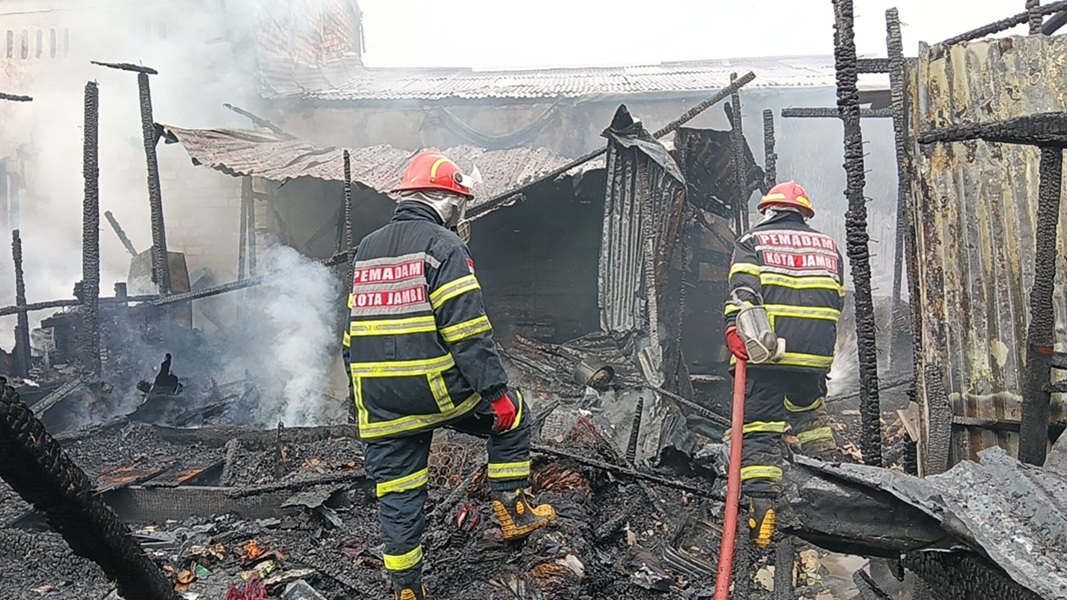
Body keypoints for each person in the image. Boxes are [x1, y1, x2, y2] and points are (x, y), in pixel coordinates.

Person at [343, 150, 557, 600]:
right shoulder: (445, 246)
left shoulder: (366, 249)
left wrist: (359, 397)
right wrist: (495, 391)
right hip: (437, 390)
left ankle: (406, 589)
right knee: (514, 416)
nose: (462, 213)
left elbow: (351, 334)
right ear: (444, 199)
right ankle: (513, 510)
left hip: (380, 400)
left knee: (398, 491)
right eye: (460, 203)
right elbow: (468, 331)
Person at [722, 181, 845, 549]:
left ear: (768, 210)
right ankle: (834, 487)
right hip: (815, 357)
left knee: (760, 428)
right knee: (809, 416)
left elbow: (743, 293)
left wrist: (735, 330)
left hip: (769, 351)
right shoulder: (828, 245)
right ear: (803, 214)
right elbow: (835, 299)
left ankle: (761, 516)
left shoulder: (752, 242)